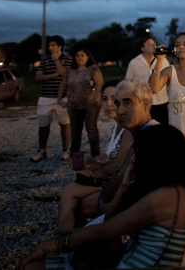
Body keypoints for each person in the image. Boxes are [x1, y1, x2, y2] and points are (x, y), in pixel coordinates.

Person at [18, 125, 185, 270]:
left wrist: (51, 245)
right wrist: (125, 186)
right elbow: (109, 221)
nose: (134, 160)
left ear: (157, 158)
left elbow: (104, 231)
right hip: (126, 260)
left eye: (139, 153)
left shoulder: (167, 196)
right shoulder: (170, 191)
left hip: (129, 264)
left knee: (32, 266)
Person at [57, 80, 159, 226]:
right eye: (117, 103)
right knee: (73, 194)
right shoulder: (131, 128)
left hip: (137, 205)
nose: (118, 109)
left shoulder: (147, 134)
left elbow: (118, 178)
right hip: (130, 196)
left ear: (146, 104)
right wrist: (97, 166)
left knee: (73, 195)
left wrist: (94, 176)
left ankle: (62, 241)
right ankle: (66, 240)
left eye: (127, 103)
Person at [32, 36, 73, 162]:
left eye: (53, 45)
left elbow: (66, 74)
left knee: (65, 124)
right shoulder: (44, 60)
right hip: (46, 97)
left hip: (63, 97)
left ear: (60, 46)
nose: (50, 48)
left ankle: (65, 150)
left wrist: (56, 62)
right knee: (43, 125)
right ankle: (42, 150)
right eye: (49, 45)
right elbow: (38, 77)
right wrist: (54, 74)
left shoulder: (68, 59)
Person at [64, 49, 104, 162]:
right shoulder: (70, 71)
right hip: (73, 104)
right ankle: (74, 155)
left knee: (91, 128)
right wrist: (60, 98)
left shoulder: (93, 70)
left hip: (90, 104)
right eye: (77, 55)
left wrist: (97, 97)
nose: (79, 57)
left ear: (88, 57)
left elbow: (99, 83)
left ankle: (95, 155)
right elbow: (63, 84)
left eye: (82, 55)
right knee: (75, 131)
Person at [125, 36, 169, 125]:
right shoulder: (134, 62)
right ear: (142, 48)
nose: (153, 46)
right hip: (142, 102)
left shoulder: (163, 61)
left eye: (154, 44)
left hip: (161, 101)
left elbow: (169, 79)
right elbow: (128, 81)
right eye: (149, 44)